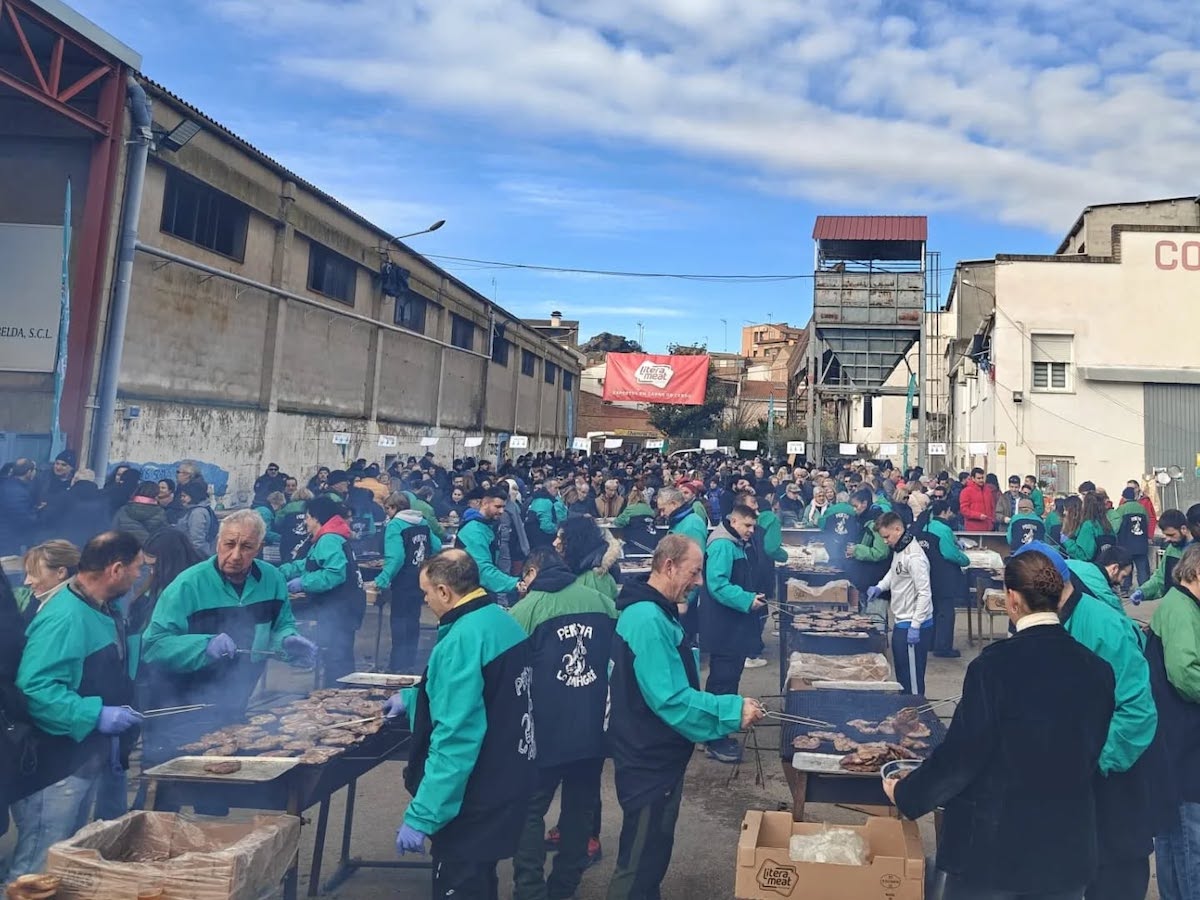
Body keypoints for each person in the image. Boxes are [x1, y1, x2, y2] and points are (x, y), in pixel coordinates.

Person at [883, 549, 1115, 900]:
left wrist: (906, 793)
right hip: (1066, 848)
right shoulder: (1098, 670)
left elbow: (962, 756)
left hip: (996, 852)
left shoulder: (994, 667)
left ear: (1011, 599)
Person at [606, 535, 765, 899]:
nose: (699, 583)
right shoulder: (646, 619)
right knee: (638, 862)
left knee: (653, 854)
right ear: (668, 567)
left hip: (657, 751)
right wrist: (731, 711)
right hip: (646, 756)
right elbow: (671, 699)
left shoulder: (656, 610)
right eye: (694, 573)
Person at [1010, 542, 1159, 900]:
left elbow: (1138, 712)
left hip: (1110, 789)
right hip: (1062, 795)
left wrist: (1094, 762)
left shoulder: (1105, 628)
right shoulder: (1042, 622)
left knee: (1112, 880)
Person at [385, 550, 537, 899]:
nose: (425, 601)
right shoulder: (501, 620)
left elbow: (455, 739)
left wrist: (422, 817)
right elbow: (489, 693)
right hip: (509, 779)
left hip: (474, 796)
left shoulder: (462, 640)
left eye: (426, 593)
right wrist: (414, 700)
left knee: (463, 882)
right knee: (482, 880)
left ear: (444, 591)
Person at [6, 532, 146, 879]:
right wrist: (94, 714)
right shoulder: (65, 617)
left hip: (83, 759)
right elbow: (35, 688)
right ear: (116, 569)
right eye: (136, 568)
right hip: (53, 770)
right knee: (35, 871)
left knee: (65, 865)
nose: (138, 576)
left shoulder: (104, 608)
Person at [141, 511, 314, 768]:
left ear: (259, 548)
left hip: (236, 696)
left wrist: (287, 640)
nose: (235, 556)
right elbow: (153, 645)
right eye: (229, 544)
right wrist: (203, 646)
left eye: (246, 547)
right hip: (181, 701)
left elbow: (281, 625)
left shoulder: (273, 579)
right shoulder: (188, 585)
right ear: (217, 543)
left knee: (221, 775)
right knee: (166, 778)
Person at [509, 547, 617, 900]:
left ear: (534, 572)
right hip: (591, 728)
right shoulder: (600, 602)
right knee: (580, 810)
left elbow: (506, 669)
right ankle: (564, 888)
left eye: (525, 577)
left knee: (530, 810)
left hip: (543, 730)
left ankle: (530, 890)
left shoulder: (526, 609)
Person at [1146, 543, 1200, 900]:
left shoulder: (1180, 604)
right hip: (1182, 742)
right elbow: (1184, 671)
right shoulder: (1181, 609)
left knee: (1170, 832)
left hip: (1171, 738)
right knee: (1188, 836)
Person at [698, 505, 765, 763]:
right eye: (747, 526)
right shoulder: (723, 545)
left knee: (728, 678)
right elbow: (718, 584)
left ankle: (719, 730)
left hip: (733, 624)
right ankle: (713, 738)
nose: (751, 531)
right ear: (732, 520)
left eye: (753, 527)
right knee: (722, 680)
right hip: (723, 626)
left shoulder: (736, 541)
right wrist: (747, 600)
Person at [278, 497, 366, 685]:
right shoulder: (328, 538)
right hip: (344, 607)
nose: (306, 521)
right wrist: (286, 570)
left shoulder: (329, 539)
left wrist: (304, 583)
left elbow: (335, 574)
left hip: (341, 608)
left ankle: (338, 699)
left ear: (317, 518)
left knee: (337, 658)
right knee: (335, 654)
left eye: (308, 517)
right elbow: (311, 562)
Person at [866, 512, 933, 694]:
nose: (885, 541)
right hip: (901, 621)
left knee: (912, 679)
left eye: (887, 537)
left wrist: (916, 625)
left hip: (913, 623)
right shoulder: (900, 550)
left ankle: (916, 712)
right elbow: (894, 572)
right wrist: (880, 587)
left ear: (898, 529)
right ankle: (905, 710)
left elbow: (924, 593)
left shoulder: (915, 557)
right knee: (902, 673)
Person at [376, 493, 441, 674]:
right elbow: (436, 547)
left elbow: (396, 557)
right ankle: (410, 661)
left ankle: (397, 664)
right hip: (420, 579)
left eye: (388, 509)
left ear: (395, 508)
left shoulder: (395, 525)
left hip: (402, 581)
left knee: (398, 621)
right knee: (413, 620)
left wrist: (383, 579)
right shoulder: (423, 523)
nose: (387, 513)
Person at [917, 500, 969, 659]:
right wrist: (965, 559)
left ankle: (930, 643)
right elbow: (949, 553)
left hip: (928, 574)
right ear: (945, 511)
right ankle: (943, 647)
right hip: (944, 576)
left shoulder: (926, 526)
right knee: (945, 613)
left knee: (931, 611)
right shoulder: (943, 529)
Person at [458, 485, 526, 599]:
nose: (502, 511)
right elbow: (483, 570)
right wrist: (515, 584)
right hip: (470, 591)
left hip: (482, 588)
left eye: (503, 507)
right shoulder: (474, 530)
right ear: (484, 503)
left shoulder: (489, 525)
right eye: (498, 506)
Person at [1132, 508, 1189, 606]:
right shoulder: (1171, 550)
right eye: (1165, 535)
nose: (1167, 539)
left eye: (1171, 535)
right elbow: (1160, 578)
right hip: (1173, 605)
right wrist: (1143, 592)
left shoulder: (1195, 551)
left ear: (1183, 529)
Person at [21, 540, 80, 623]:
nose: (26, 582)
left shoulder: (72, 610)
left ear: (61, 573)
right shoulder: (36, 602)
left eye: (34, 573)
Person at [1109, 487, 1151, 591]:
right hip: (1141, 544)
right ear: (1134, 496)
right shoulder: (1142, 508)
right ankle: (1145, 590)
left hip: (1126, 544)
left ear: (1123, 497)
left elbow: (1116, 526)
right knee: (1142, 569)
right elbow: (1147, 522)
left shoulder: (1121, 509)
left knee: (1126, 567)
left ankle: (1125, 589)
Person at [113, 481, 169, 545]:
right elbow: (163, 534)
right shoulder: (160, 512)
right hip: (148, 550)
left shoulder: (123, 509)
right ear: (156, 495)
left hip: (125, 548)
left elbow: (114, 530)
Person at [0, 459, 37, 557]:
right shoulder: (17, 492)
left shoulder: (7, 484)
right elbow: (23, 519)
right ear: (29, 472)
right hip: (6, 541)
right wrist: (38, 514)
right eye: (34, 470)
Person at [175, 480, 217, 557]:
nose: (181, 499)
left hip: (196, 556)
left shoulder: (197, 513)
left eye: (184, 496)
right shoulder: (193, 510)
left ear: (194, 495)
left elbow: (197, 541)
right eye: (181, 496)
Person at [527, 478, 568, 549]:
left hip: (533, 538)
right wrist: (558, 529)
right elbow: (546, 525)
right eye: (555, 488)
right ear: (548, 488)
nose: (557, 490)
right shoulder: (545, 501)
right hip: (542, 540)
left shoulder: (536, 498)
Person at [958, 467, 996, 533]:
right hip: (973, 529)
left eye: (982, 478)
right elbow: (964, 510)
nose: (981, 480)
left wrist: (992, 520)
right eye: (979, 478)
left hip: (988, 528)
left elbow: (992, 507)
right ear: (973, 478)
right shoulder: (966, 492)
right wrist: (978, 516)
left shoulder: (988, 491)